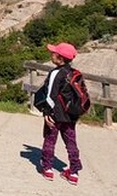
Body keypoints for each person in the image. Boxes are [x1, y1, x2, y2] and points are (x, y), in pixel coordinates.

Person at [34, 42, 84, 185]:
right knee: (71, 142)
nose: (51, 54)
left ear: (59, 57)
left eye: (54, 53)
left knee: (50, 139)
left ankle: (48, 169)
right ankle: (74, 172)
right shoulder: (74, 73)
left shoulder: (56, 73)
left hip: (55, 114)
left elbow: (50, 95)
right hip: (70, 114)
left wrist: (46, 112)